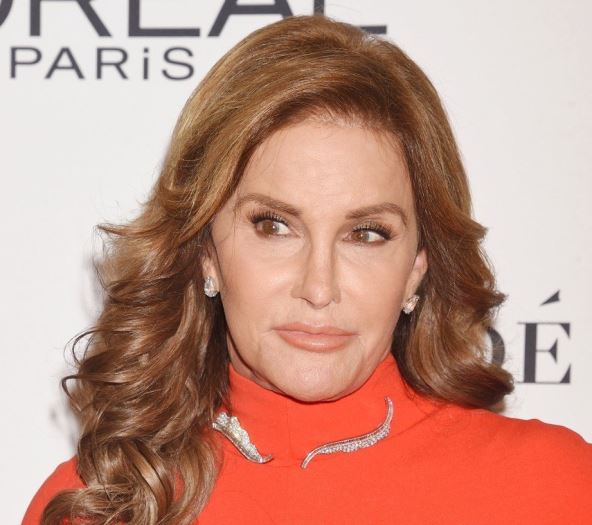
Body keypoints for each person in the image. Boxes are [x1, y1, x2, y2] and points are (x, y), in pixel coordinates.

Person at [23, 14, 592, 525]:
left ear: (417, 269)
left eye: (366, 234)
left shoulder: (555, 486)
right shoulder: (100, 505)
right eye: (274, 226)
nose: (319, 287)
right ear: (205, 253)